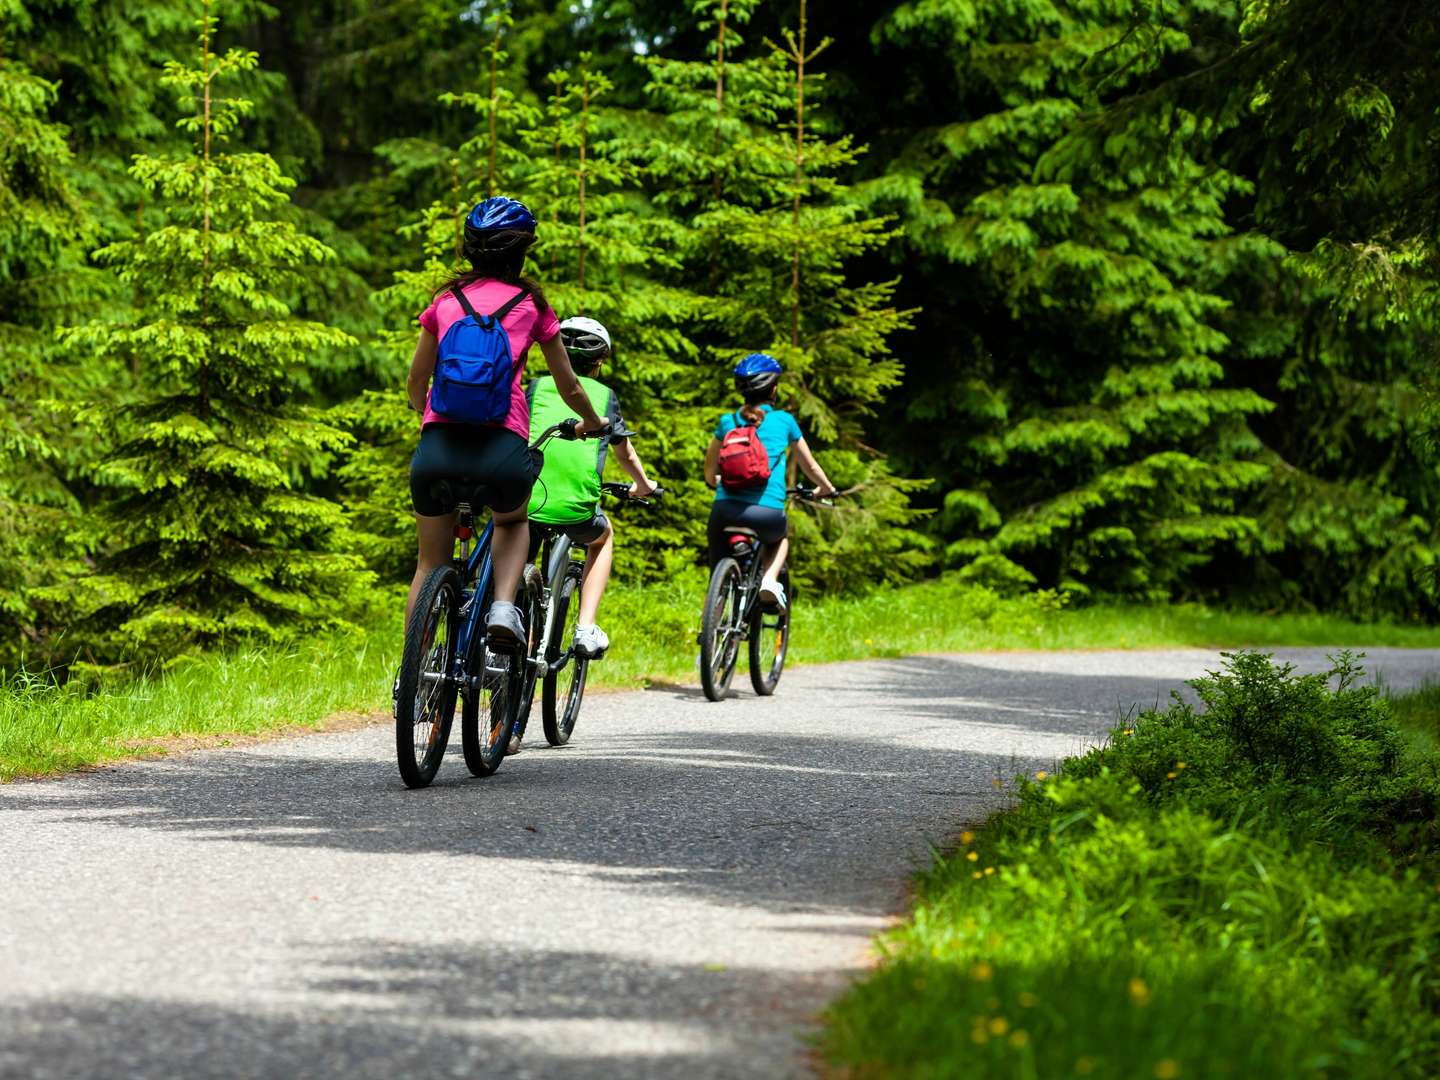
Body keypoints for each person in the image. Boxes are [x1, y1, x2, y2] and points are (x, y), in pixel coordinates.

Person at [405, 195, 606, 647]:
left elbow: (418, 379)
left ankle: (410, 680)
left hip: (438, 447)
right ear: (521, 251)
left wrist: (426, 414)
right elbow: (570, 386)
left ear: (469, 249)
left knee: (427, 564)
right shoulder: (532, 305)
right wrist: (592, 422)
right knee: (512, 521)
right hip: (500, 449)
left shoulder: (445, 301)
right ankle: (501, 607)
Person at [525, 316, 658, 660]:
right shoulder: (605, 397)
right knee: (603, 537)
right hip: (574, 507)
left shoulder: (537, 386)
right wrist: (642, 486)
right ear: (598, 362)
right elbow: (623, 451)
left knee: (513, 551)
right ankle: (585, 627)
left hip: (523, 497)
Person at [702, 353, 836, 611]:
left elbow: (710, 467)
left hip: (724, 510)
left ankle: (710, 637)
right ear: (774, 388)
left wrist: (713, 481)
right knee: (779, 538)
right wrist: (826, 489)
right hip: (767, 512)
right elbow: (811, 466)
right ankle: (770, 580)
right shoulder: (784, 421)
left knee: (715, 581)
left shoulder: (727, 422)